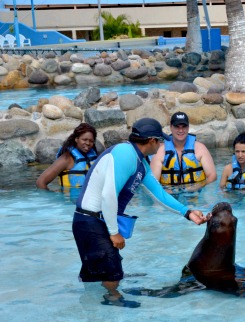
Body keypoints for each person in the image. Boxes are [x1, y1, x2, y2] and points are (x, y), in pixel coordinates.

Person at [72, 118, 207, 308]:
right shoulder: (125, 153)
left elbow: (158, 193)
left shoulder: (141, 163)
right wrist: (114, 232)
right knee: (112, 271)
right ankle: (112, 302)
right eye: (160, 141)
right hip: (89, 221)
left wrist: (187, 212)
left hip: (95, 221)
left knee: (96, 270)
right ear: (151, 140)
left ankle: (91, 304)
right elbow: (108, 195)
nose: (161, 144)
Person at [149, 112, 217, 187]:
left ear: (188, 128)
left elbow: (212, 176)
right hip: (170, 194)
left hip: (196, 194)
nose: (181, 130)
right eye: (177, 127)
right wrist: (166, 192)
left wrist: (198, 186)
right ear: (171, 127)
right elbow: (153, 183)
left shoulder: (200, 148)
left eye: (184, 126)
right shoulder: (160, 152)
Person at [36, 123, 98, 189]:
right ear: (76, 139)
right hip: (70, 198)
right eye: (84, 140)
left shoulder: (95, 158)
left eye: (91, 141)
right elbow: (40, 182)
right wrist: (53, 197)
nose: (88, 143)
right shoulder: (66, 159)